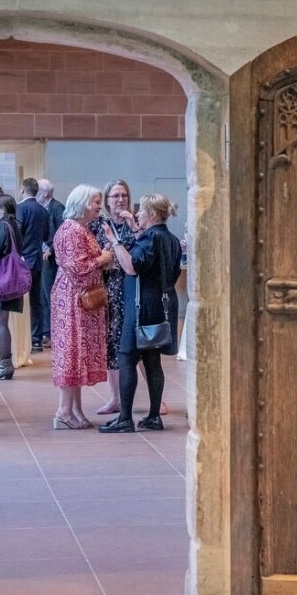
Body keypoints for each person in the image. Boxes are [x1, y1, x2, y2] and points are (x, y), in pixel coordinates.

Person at [99, 193, 182, 433]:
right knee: (152, 360)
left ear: (153, 214)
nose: (138, 214)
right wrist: (135, 230)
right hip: (161, 306)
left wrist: (115, 241)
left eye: (142, 211)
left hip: (140, 308)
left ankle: (125, 418)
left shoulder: (150, 239)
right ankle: (154, 416)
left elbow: (131, 266)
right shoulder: (171, 239)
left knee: (126, 358)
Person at [50, 184, 114, 429]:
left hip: (80, 299)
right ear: (83, 203)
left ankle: (74, 409)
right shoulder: (72, 230)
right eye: (96, 201)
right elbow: (78, 269)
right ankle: (64, 411)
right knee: (72, 352)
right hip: (74, 300)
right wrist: (103, 259)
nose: (99, 205)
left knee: (77, 353)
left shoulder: (80, 229)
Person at [88, 179, 140, 415]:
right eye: (115, 196)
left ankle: (155, 399)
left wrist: (134, 226)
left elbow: (145, 253)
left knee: (140, 345)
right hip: (108, 290)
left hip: (132, 288)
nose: (121, 200)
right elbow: (93, 256)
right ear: (107, 201)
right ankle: (115, 398)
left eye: (124, 195)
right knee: (111, 344)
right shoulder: (98, 226)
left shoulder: (136, 223)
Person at [0, 192, 26, 381]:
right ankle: (5, 363)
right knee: (2, 321)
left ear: (2, 209)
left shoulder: (2, 227)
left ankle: (4, 363)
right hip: (10, 280)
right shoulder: (13, 225)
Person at [16, 177, 50, 352]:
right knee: (36, 301)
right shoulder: (43, 211)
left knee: (21, 300)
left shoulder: (20, 208)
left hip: (22, 260)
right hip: (37, 260)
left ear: (23, 189)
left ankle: (23, 340)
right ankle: (36, 338)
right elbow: (46, 236)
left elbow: (17, 232)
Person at [37, 178, 65, 348]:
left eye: (38, 191)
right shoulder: (41, 209)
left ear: (46, 193)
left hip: (51, 259)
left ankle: (52, 332)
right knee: (42, 296)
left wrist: (51, 250)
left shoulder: (57, 208)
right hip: (41, 256)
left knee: (49, 295)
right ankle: (46, 331)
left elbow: (61, 233)